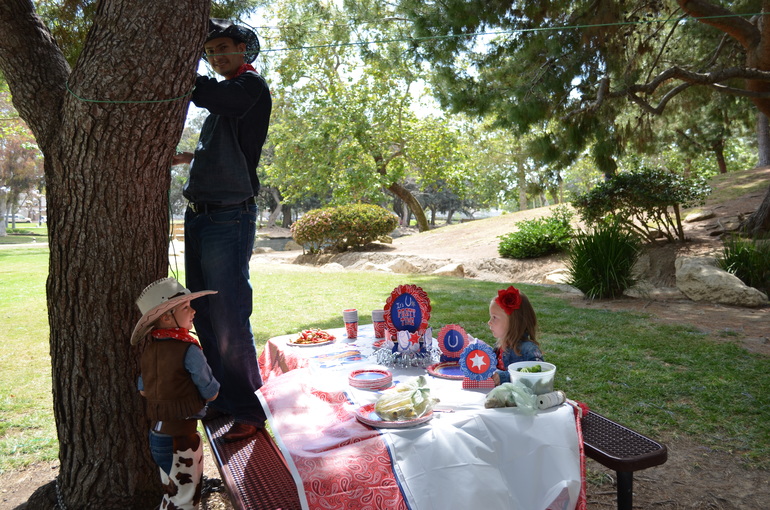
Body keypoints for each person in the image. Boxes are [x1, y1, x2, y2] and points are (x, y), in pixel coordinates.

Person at [172, 19, 272, 442]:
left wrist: (181, 72)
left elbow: (212, 96)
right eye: (210, 52)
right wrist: (189, 156)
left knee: (230, 316)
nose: (217, 57)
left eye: (225, 48)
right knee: (206, 315)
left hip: (229, 217)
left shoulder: (250, 88)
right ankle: (220, 400)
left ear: (243, 51)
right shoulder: (226, 99)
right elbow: (222, 140)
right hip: (199, 216)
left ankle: (249, 409)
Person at [131, 277, 220, 510]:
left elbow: (142, 389)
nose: (193, 311)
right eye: (185, 307)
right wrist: (210, 394)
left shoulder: (150, 350)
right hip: (181, 440)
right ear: (166, 317)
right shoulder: (189, 349)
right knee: (185, 499)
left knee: (173, 493)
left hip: (158, 436)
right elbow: (209, 389)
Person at [488, 285, 545, 386]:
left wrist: (505, 377)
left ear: (513, 322)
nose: (489, 322)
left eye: (494, 317)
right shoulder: (499, 347)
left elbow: (539, 374)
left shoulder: (528, 350)